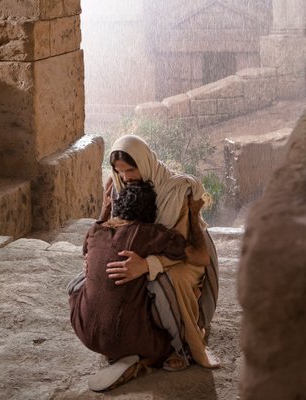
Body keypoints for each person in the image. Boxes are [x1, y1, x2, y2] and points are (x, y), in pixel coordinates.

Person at [69, 181, 209, 391]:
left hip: (84, 332)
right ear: (151, 213)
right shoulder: (150, 233)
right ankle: (149, 360)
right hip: (126, 337)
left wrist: (105, 208)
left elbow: (89, 254)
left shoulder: (95, 230)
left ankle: (117, 353)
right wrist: (195, 216)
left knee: (84, 280)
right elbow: (201, 257)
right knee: (162, 286)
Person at [98, 135, 219, 373]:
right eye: (120, 171)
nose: (126, 178)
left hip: (183, 255)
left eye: (131, 170)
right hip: (145, 250)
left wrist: (148, 265)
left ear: (144, 163)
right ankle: (143, 341)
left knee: (170, 281)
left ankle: (184, 344)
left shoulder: (175, 189)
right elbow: (114, 229)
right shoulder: (119, 185)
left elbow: (182, 245)